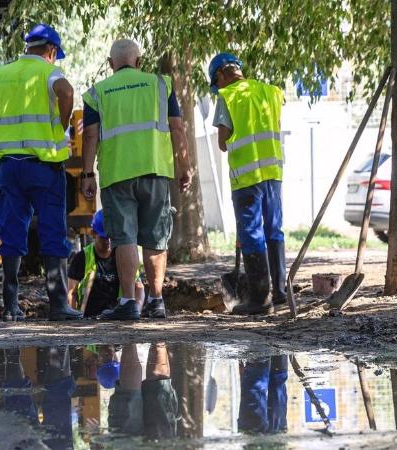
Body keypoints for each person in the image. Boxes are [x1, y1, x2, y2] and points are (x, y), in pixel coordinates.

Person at [0, 24, 82, 321]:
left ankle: (11, 306)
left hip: (11, 168)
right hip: (44, 167)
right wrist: (61, 126)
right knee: (53, 230)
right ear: (51, 51)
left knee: (12, 231)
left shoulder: (3, 73)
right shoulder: (47, 72)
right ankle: (58, 305)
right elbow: (66, 92)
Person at [81, 38, 192, 321]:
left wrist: (87, 173)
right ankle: (156, 301)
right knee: (155, 236)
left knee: (125, 237)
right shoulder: (160, 84)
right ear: (139, 62)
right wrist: (184, 166)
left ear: (110, 64)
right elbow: (177, 128)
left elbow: (90, 134)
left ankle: (129, 301)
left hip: (117, 174)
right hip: (155, 171)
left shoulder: (98, 92)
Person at [209, 53, 286, 315]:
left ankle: (259, 300)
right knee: (274, 229)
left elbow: (223, 141)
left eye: (215, 83)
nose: (217, 88)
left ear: (220, 75)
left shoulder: (227, 96)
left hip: (246, 178)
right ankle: (280, 293)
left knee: (252, 232)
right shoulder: (271, 91)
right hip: (273, 173)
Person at [66, 209, 145, 317]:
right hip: (89, 317)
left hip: (117, 317)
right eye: (103, 237)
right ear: (94, 233)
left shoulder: (123, 256)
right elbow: (71, 293)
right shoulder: (82, 258)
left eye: (110, 237)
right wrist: (74, 317)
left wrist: (137, 310)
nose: (108, 241)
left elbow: (139, 287)